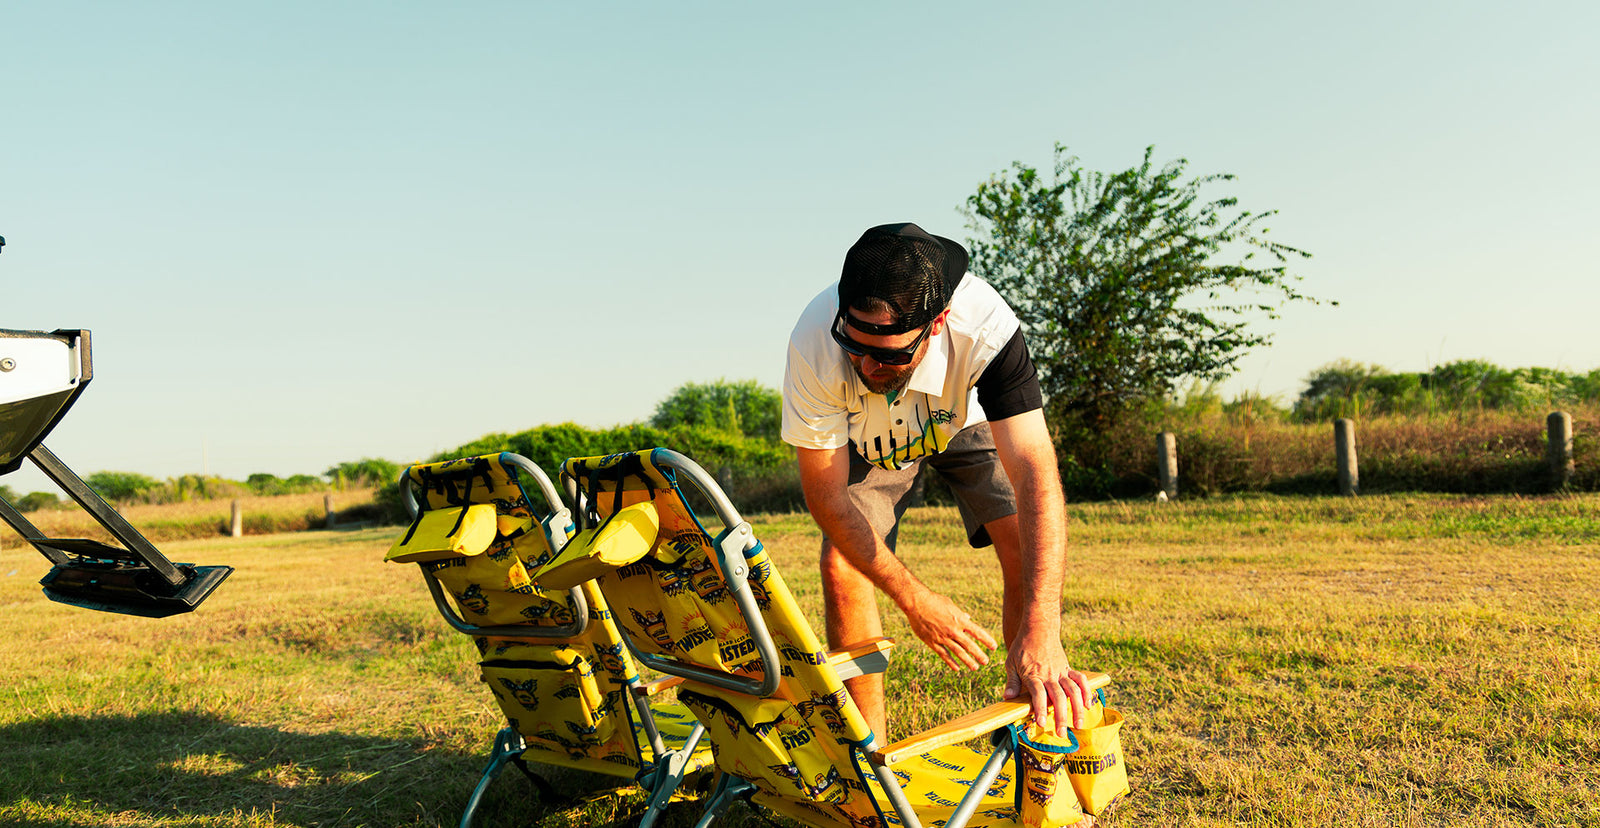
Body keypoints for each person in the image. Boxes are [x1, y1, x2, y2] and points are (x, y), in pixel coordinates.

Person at [781, 222, 1091, 738]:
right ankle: (870, 764)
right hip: (869, 436)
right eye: (854, 346)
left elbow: (1035, 469)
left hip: (963, 416)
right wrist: (915, 599)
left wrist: (1045, 627)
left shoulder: (987, 328)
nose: (864, 364)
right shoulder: (815, 341)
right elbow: (826, 495)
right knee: (842, 566)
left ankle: (1025, 733)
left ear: (939, 322)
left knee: (1019, 539)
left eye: (889, 355)